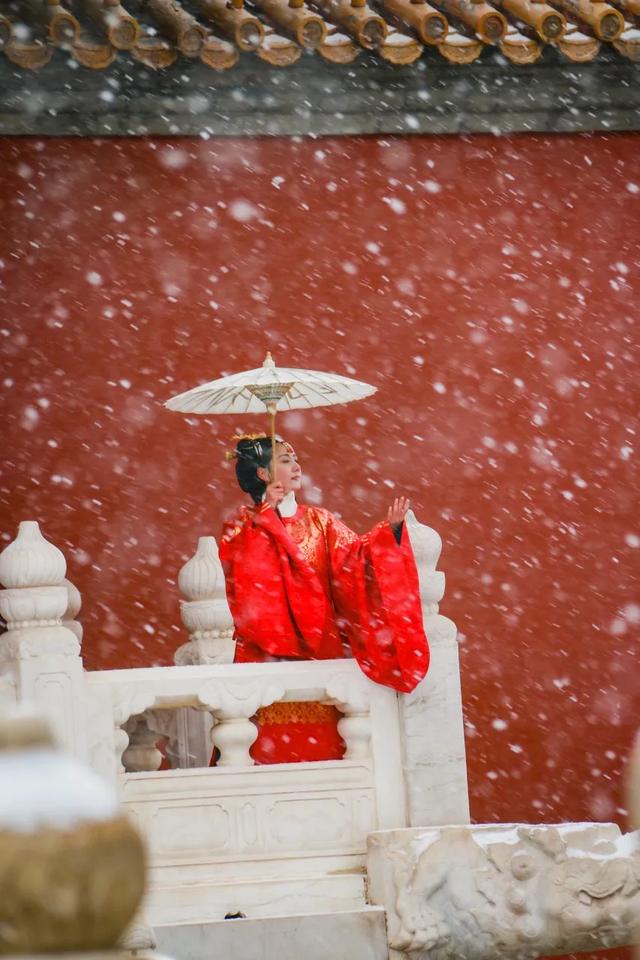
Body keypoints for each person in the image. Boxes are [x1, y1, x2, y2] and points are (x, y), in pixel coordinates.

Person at [218, 433, 429, 763]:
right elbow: (249, 577)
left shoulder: (320, 521)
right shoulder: (242, 524)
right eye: (285, 460)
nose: (297, 465)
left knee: (325, 753)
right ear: (262, 474)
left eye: (295, 458)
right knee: (262, 754)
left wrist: (389, 536)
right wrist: (266, 516)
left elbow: (355, 561)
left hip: (319, 651)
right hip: (265, 654)